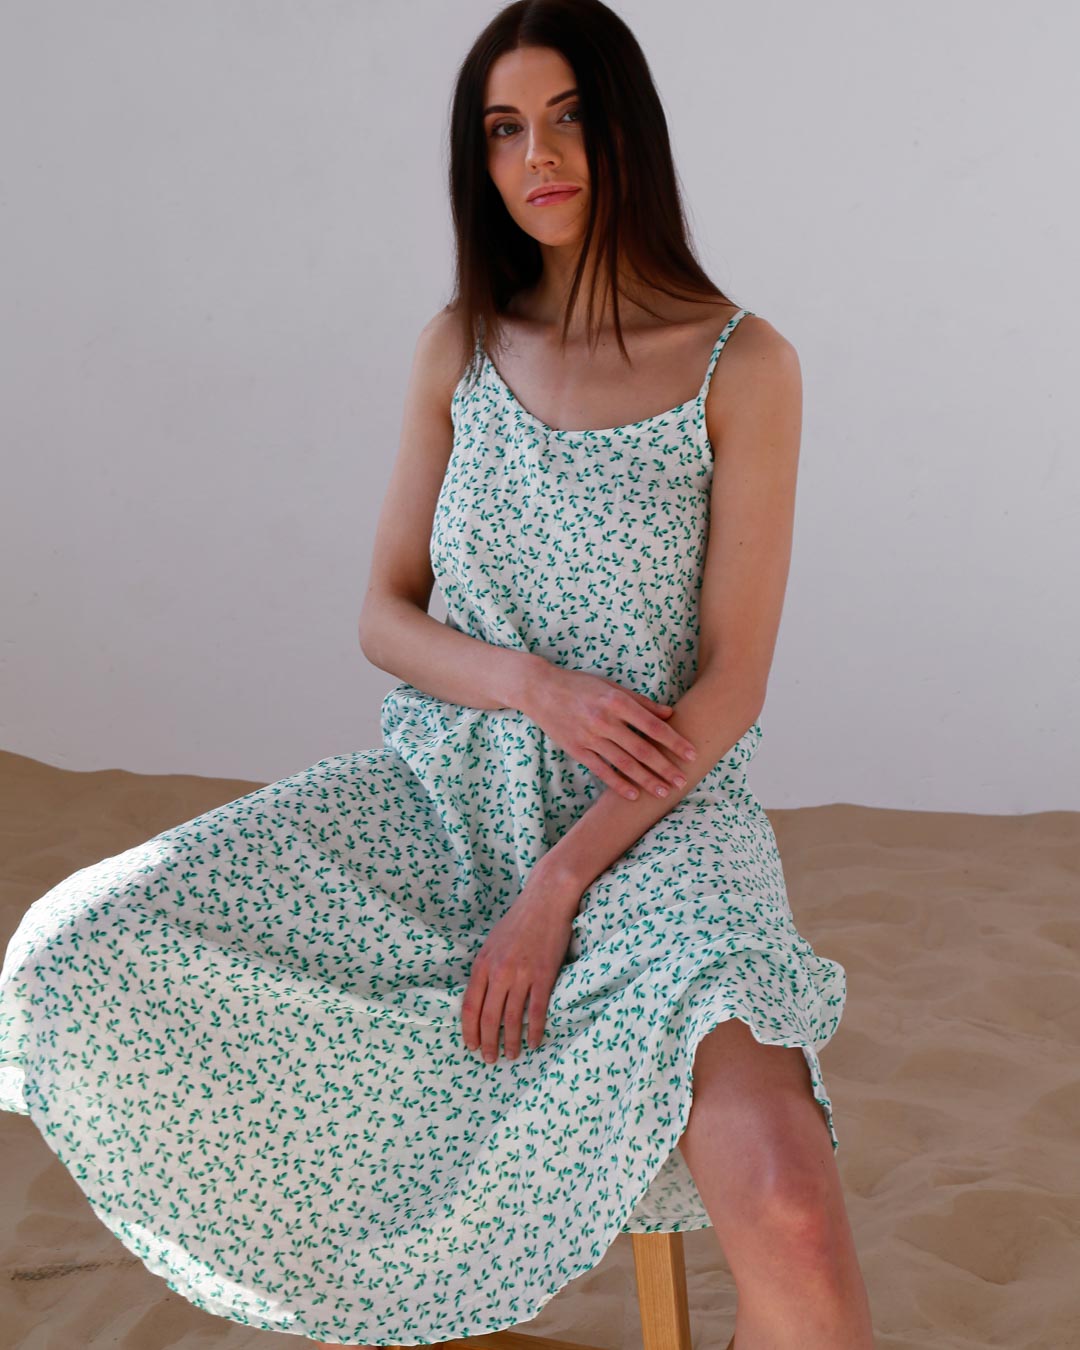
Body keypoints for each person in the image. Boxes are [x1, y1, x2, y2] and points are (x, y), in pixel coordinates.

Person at [0, 2, 873, 1347]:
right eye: (504, 130)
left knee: (793, 1206)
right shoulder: (458, 347)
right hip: (439, 803)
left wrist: (560, 883)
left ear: (628, 130)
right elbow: (384, 615)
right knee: (74, 952)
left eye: (569, 117)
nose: (539, 157)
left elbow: (730, 687)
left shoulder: (742, 365)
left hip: (654, 831)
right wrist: (533, 685)